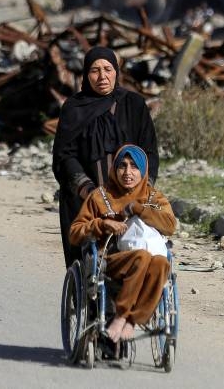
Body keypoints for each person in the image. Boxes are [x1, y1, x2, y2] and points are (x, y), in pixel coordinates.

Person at [52, 46, 159, 267]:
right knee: (89, 264)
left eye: (108, 69)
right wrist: (91, 192)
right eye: (95, 70)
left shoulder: (134, 105)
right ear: (86, 75)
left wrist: (140, 189)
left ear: (116, 72)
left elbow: (148, 151)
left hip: (128, 196)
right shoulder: (73, 108)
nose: (102, 76)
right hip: (85, 199)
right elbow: (65, 156)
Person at [69, 144, 176, 343]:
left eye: (134, 167)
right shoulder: (100, 197)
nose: (128, 172)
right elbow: (75, 232)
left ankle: (132, 320)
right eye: (122, 166)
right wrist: (102, 224)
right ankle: (121, 315)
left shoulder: (155, 198)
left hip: (149, 261)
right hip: (111, 260)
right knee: (141, 257)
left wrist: (138, 208)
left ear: (143, 170)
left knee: (161, 263)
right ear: (114, 169)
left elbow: (170, 226)